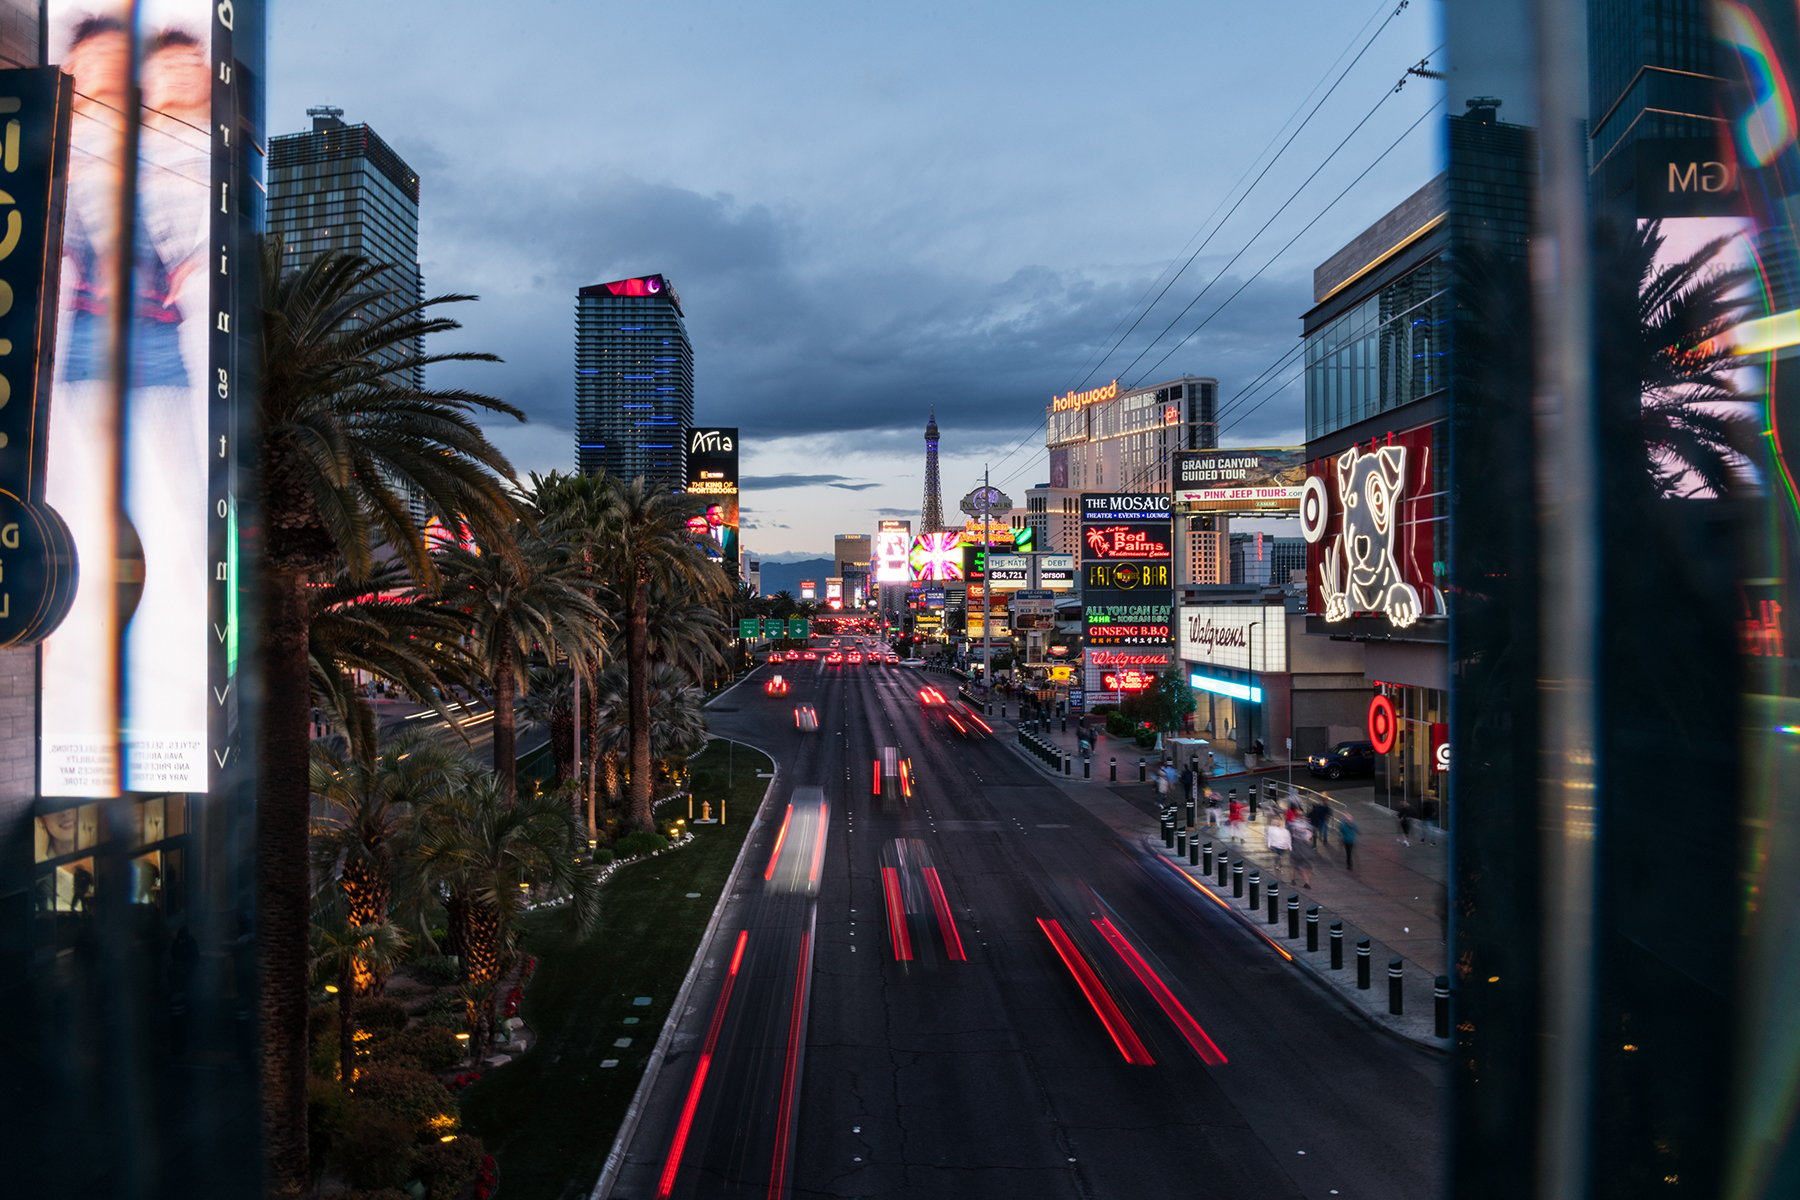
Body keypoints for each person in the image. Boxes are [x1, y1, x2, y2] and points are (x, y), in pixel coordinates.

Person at [1290, 817, 1315, 888]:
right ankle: (1295, 879)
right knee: (1298, 867)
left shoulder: (1307, 832)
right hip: (1297, 852)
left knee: (1302, 868)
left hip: (1304, 853)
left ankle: (1305, 882)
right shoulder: (1295, 832)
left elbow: (1309, 839)